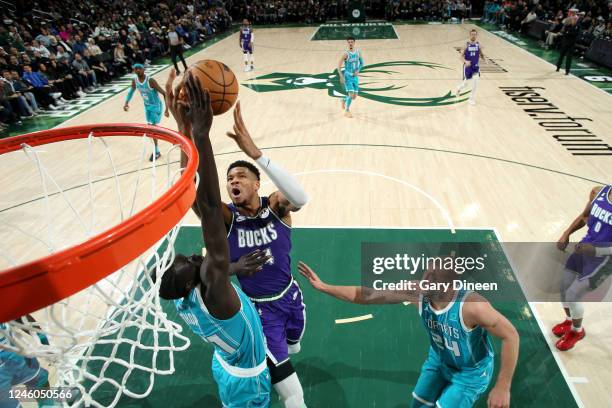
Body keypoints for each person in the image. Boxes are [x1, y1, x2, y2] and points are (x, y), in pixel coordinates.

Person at [158, 71, 271, 407]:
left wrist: (183, 132)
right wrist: (202, 136)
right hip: (246, 383)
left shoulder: (186, 296)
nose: (193, 256)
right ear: (202, 278)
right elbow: (207, 208)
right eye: (191, 261)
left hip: (223, 363)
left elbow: (191, 195)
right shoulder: (215, 289)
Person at [297, 257, 519, 408]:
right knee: (418, 403)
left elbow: (511, 336)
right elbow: (369, 295)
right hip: (439, 361)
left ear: (449, 286)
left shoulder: (473, 306)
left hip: (470, 372)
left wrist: (502, 386)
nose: (426, 280)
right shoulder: (417, 291)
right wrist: (325, 286)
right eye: (427, 273)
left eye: (433, 278)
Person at [212, 102, 309, 408]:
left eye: (240, 176)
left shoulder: (276, 206)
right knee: (293, 394)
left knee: (295, 345)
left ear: (256, 184)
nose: (233, 182)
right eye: (229, 179)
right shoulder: (227, 217)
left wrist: (257, 155)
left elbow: (301, 198)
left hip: (290, 295)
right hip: (260, 312)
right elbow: (195, 197)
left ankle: (282, 356)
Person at [554, 184, 612, 350]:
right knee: (564, 287)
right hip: (584, 248)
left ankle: (576, 331)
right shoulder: (598, 191)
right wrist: (566, 233)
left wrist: (596, 250)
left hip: (604, 260)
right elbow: (584, 217)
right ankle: (570, 320)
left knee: (573, 294)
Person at [123, 63, 169, 161]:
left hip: (156, 106)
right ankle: (158, 148)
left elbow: (164, 94)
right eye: (135, 69)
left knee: (152, 129)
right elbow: (131, 91)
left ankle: (157, 152)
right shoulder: (134, 81)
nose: (137, 70)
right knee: (151, 129)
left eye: (139, 68)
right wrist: (126, 102)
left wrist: (167, 109)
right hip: (147, 107)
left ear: (144, 69)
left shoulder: (150, 81)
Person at [456, 29, 485, 105]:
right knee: (465, 84)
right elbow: (460, 57)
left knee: (476, 83)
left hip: (475, 67)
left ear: (476, 35)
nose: (473, 35)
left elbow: (481, 54)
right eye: (472, 34)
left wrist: (484, 58)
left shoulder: (479, 44)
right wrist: (465, 61)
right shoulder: (466, 44)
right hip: (468, 67)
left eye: (475, 34)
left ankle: (471, 99)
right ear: (469, 35)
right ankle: (459, 88)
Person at [337, 36, 364, 118]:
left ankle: (343, 100)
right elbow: (338, 67)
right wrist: (341, 76)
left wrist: (358, 70)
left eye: (352, 42)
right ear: (347, 43)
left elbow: (362, 63)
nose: (350, 43)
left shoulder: (358, 52)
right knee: (351, 94)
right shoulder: (345, 54)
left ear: (354, 43)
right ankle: (347, 111)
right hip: (348, 76)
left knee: (354, 97)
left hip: (355, 77)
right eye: (349, 42)